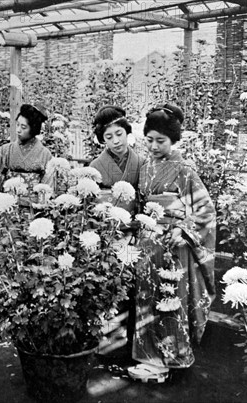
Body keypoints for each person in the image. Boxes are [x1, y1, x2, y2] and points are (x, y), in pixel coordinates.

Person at [128, 104, 216, 382]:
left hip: (174, 245)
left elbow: (206, 210)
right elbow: (140, 205)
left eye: (161, 141)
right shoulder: (144, 168)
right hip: (147, 243)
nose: (154, 146)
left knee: (170, 300)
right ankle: (148, 358)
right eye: (149, 139)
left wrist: (184, 229)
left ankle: (172, 359)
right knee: (145, 299)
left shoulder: (184, 169)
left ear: (173, 140)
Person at [89, 105, 146, 212]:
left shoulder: (141, 163)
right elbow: (89, 204)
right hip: (104, 223)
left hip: (134, 222)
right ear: (103, 139)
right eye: (109, 137)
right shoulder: (95, 167)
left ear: (127, 131)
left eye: (119, 134)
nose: (116, 141)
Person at [0, 104, 53, 190]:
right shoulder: (6, 150)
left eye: (23, 127)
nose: (18, 130)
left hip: (34, 202)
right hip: (8, 201)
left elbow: (47, 186)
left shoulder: (45, 154)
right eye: (17, 125)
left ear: (34, 129)